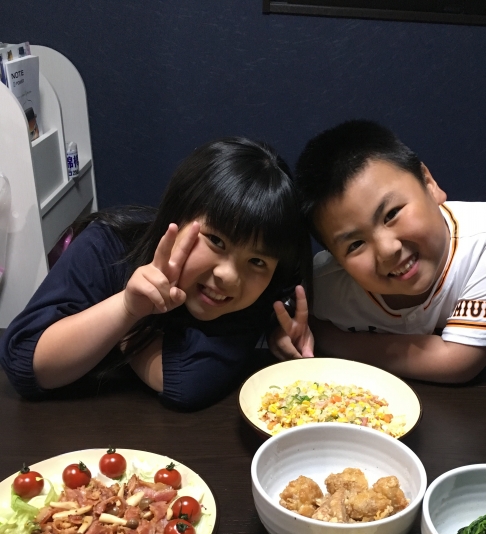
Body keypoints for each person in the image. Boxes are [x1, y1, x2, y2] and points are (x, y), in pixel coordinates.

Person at [0, 138, 313, 409]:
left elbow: (187, 383)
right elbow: (25, 364)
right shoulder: (107, 245)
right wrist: (126, 307)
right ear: (176, 215)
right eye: (216, 241)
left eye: (257, 261)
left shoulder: (255, 295)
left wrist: (276, 330)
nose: (229, 276)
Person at [274, 119, 486, 383]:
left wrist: (328, 339)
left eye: (392, 214)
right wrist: (284, 333)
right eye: (355, 244)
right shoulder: (322, 283)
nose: (387, 250)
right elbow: (287, 328)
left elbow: (459, 361)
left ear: (429, 183)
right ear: (335, 259)